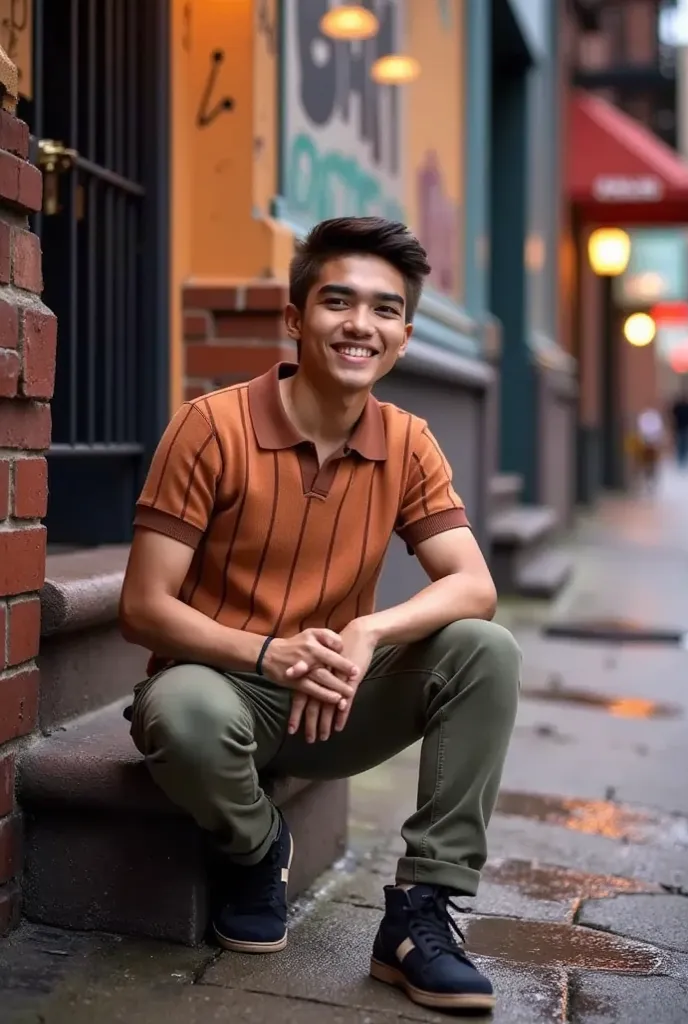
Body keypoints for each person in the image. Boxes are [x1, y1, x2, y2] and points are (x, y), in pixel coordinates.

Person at [119, 216, 520, 1014]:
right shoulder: (211, 427)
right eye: (338, 302)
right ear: (296, 317)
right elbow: (141, 608)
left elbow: (472, 585)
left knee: (484, 649)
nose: (359, 325)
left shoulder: (408, 442)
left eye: (382, 309)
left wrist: (369, 632)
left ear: (403, 335)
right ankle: (256, 844)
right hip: (224, 686)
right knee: (181, 714)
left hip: (334, 698)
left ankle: (421, 913)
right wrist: (270, 653)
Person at [670, 390, 688, 467]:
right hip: (679, 428)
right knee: (680, 445)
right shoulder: (678, 406)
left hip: (687, 428)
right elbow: (672, 415)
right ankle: (680, 461)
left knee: (686, 445)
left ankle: (686, 461)